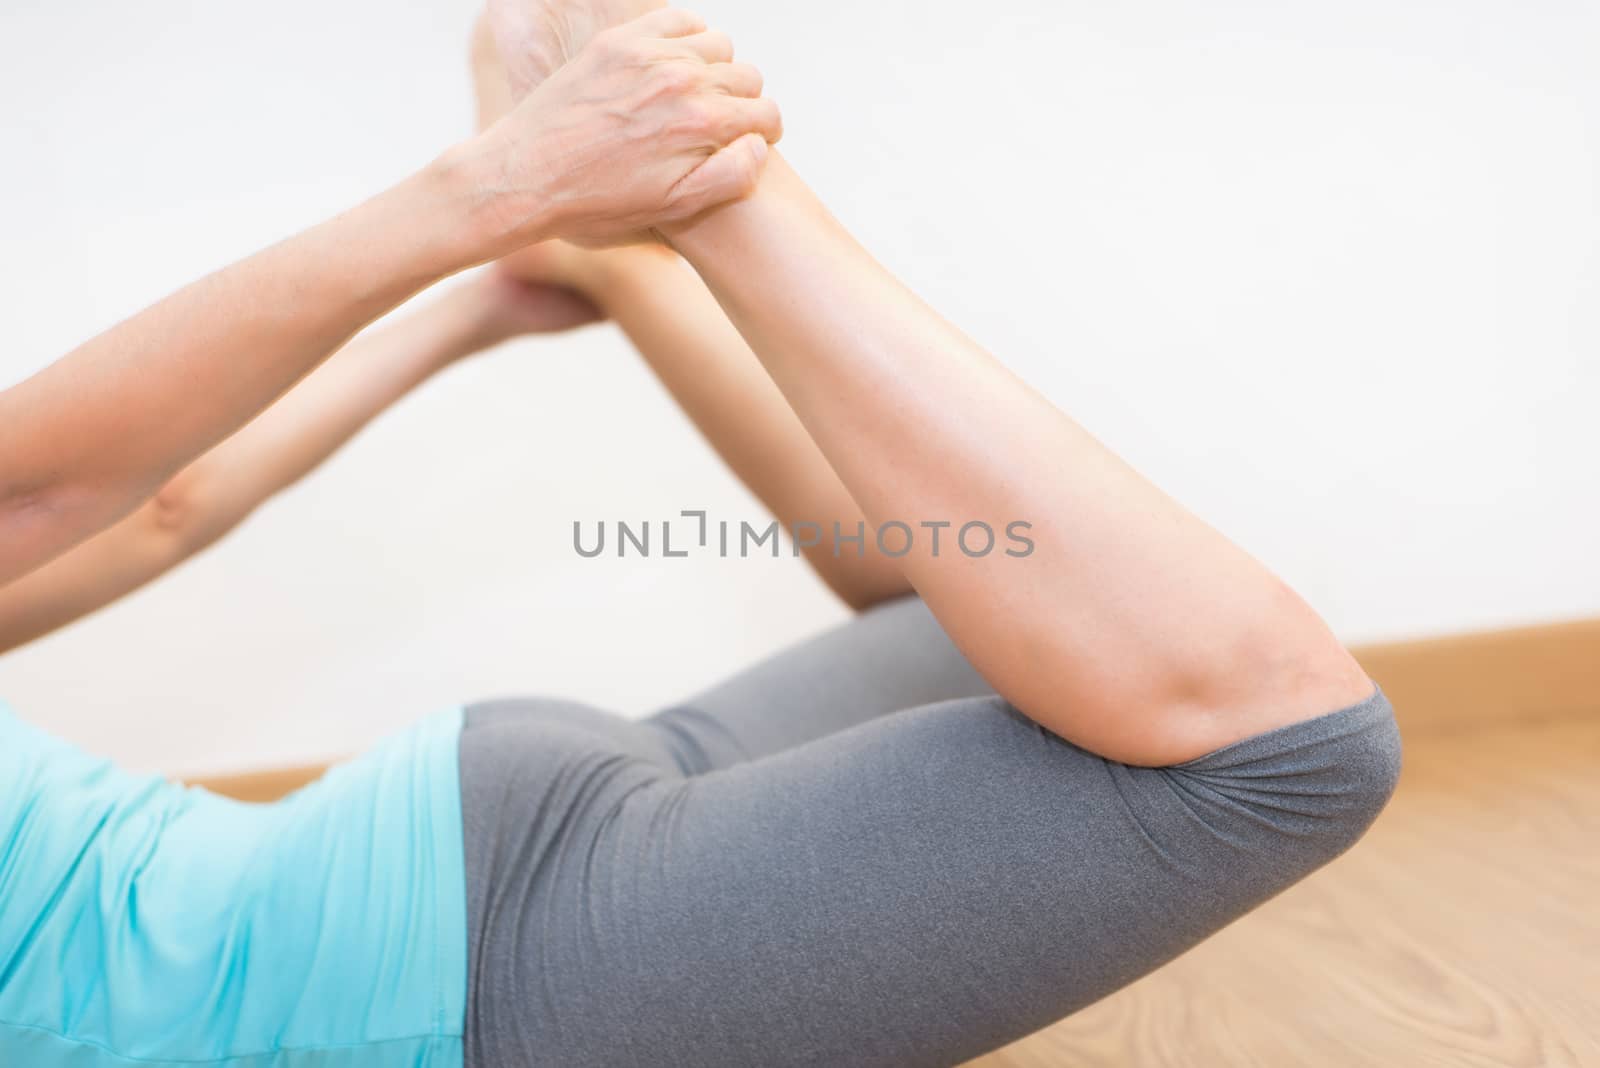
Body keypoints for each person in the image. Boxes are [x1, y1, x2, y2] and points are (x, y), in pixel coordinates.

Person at [0, 7, 1401, 1068]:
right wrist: (492, 279)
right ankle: (640, 222)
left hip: (417, 977)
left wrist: (484, 201)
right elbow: (155, 508)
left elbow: (55, 497)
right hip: (428, 813)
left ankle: (706, 191)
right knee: (959, 613)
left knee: (1274, 753)